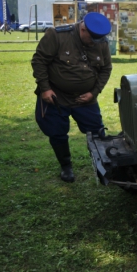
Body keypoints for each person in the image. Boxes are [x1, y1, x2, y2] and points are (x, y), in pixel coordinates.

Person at [31, 13, 112, 183]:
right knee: (57, 133)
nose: (95, 44)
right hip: (56, 96)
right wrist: (45, 89)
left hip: (86, 98)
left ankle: (104, 168)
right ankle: (66, 166)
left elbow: (106, 69)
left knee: (97, 131)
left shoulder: (101, 42)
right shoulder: (57, 35)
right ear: (83, 29)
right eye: (91, 39)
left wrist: (94, 92)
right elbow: (39, 61)